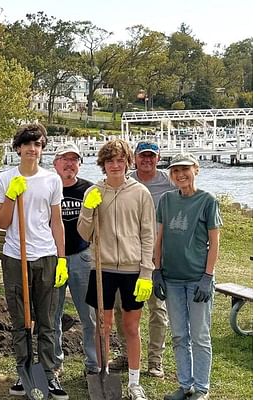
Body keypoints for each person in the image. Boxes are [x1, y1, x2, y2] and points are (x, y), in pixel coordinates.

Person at [0, 123, 68, 399]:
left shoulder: (52, 180)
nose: (32, 149)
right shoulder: (4, 179)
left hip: (45, 256)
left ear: (42, 149)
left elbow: (57, 223)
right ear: (18, 148)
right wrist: (12, 195)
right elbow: (1, 222)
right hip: (15, 256)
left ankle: (48, 375)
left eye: (37, 145)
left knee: (47, 319)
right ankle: (23, 371)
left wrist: (61, 258)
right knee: (21, 319)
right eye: (27, 144)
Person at [77, 138, 155, 400]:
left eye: (120, 160)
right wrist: (89, 210)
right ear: (103, 164)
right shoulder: (93, 192)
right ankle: (104, 373)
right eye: (110, 161)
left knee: (132, 327)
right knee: (104, 326)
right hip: (102, 268)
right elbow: (84, 233)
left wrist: (146, 272)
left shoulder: (140, 193)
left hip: (133, 269)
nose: (115, 165)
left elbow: (148, 234)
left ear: (127, 162)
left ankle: (134, 382)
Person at [155, 153, 221, 400]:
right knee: (179, 334)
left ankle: (201, 388)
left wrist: (207, 276)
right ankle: (185, 385)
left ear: (196, 169)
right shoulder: (166, 200)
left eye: (185, 170)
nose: (180, 175)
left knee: (200, 335)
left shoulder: (207, 201)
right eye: (175, 171)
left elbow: (214, 243)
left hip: (197, 279)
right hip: (171, 279)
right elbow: (159, 237)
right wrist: (156, 270)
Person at [112, 140, 176, 376]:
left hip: (158, 254)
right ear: (135, 158)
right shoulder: (124, 180)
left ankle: (155, 360)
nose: (147, 160)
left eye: (152, 156)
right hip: (127, 254)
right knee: (122, 307)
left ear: (158, 158)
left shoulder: (169, 182)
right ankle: (127, 355)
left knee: (157, 308)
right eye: (142, 156)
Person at [50, 143, 98, 377]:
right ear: (55, 163)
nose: (69, 163)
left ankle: (93, 363)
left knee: (89, 314)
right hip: (53, 258)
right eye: (64, 159)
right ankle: (55, 362)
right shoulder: (48, 187)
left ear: (79, 164)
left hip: (82, 257)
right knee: (53, 314)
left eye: (74, 159)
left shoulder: (90, 190)